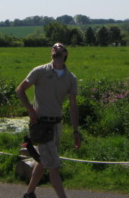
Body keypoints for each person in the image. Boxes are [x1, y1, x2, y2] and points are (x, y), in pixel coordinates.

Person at [16, 42, 81, 198]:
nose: (56, 48)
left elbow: (73, 106)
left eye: (59, 47)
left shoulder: (71, 78)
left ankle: (29, 193)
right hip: (41, 126)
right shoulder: (39, 71)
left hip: (57, 125)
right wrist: (30, 109)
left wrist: (75, 131)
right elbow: (20, 90)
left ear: (65, 54)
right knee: (54, 167)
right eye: (54, 47)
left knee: (44, 161)